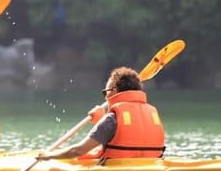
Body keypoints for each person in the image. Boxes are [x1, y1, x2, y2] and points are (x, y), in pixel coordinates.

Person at [36, 66, 164, 162]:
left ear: (114, 90)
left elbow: (78, 151)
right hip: (151, 165)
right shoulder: (152, 113)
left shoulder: (111, 119)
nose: (105, 98)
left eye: (105, 92)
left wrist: (49, 155)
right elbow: (130, 136)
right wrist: (101, 120)